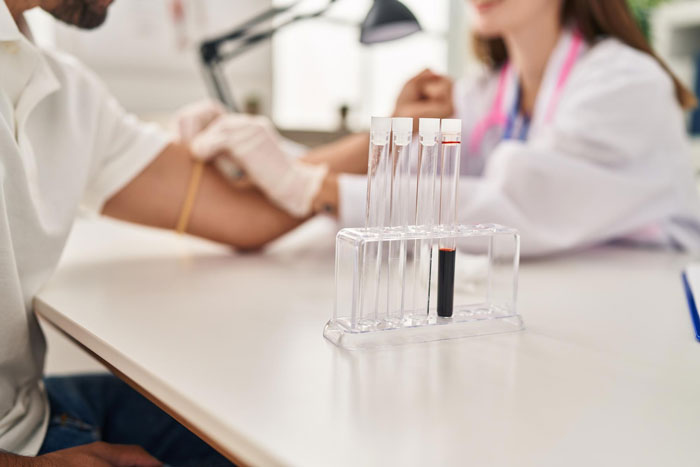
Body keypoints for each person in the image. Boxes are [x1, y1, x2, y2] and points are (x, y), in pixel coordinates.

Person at [0, 0, 314, 464]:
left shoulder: (65, 91)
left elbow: (247, 217)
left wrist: (389, 140)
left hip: (31, 412)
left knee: (265, 429)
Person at [186, 0, 700, 256]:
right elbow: (407, 183)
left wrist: (308, 184)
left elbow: (512, 209)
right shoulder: (482, 92)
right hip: (552, 298)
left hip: (642, 300)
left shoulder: (623, 81)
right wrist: (251, 153)